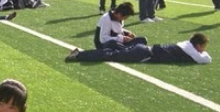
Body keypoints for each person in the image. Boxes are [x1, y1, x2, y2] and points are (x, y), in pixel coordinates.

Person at [66, 33, 211, 65]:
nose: (202, 50)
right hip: (142, 53)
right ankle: (79, 55)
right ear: (198, 45)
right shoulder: (191, 51)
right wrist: (202, 52)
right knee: (109, 55)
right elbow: (206, 59)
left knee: (114, 52)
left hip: (143, 49)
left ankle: (112, 44)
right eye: (202, 47)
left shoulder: (186, 44)